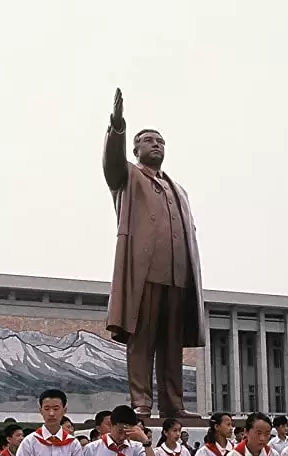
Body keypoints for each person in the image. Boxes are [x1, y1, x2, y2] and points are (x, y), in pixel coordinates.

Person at [102, 87, 206, 418]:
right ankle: (141, 402)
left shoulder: (180, 190)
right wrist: (117, 127)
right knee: (142, 341)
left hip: (178, 277)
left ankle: (174, 405)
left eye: (160, 141)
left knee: (171, 346)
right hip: (144, 274)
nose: (156, 144)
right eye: (149, 140)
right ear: (136, 149)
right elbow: (112, 162)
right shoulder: (128, 177)